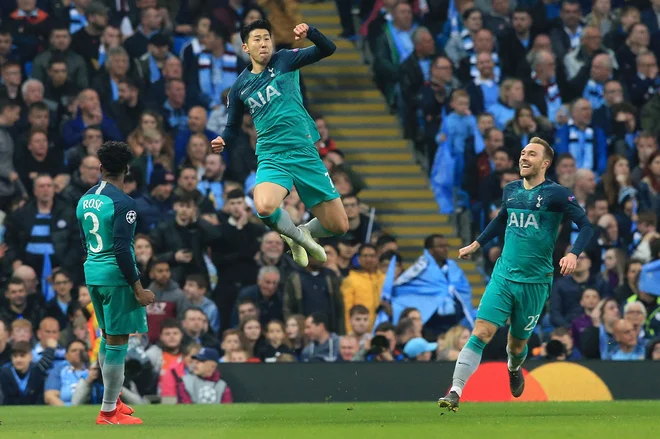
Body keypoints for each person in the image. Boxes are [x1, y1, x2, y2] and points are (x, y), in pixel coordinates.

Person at [438, 137, 595, 411]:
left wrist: (573, 253)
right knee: (482, 331)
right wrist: (477, 244)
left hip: (535, 282)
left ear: (545, 163)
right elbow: (502, 218)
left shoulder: (556, 194)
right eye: (523, 153)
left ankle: (513, 367)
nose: (524, 158)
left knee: (516, 343)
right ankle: (455, 391)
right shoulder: (511, 189)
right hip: (504, 275)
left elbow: (586, 226)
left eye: (531, 154)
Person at [211, 20, 349, 269]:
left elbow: (328, 49)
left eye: (267, 38)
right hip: (272, 155)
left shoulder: (285, 59)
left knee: (339, 226)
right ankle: (295, 237)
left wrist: (311, 33)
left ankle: (304, 232)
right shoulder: (239, 88)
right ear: (245, 47)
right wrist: (223, 139)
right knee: (263, 206)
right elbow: (232, 128)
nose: (263, 43)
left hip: (304, 152)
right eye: (257, 39)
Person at [75, 141, 156, 425]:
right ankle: (109, 411)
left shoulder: (84, 199)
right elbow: (122, 249)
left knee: (108, 338)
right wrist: (138, 289)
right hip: (117, 279)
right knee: (119, 341)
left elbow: (84, 239)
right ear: (126, 170)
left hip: (93, 274)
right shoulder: (124, 203)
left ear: (100, 168)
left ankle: (114, 402)